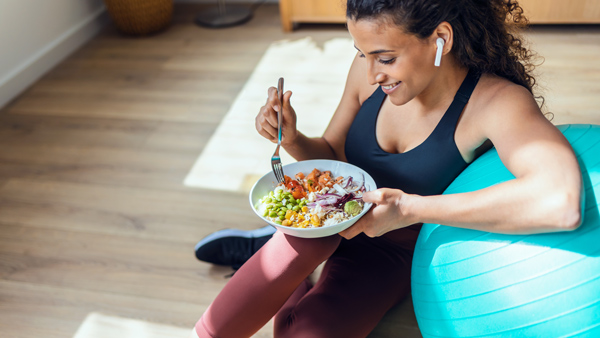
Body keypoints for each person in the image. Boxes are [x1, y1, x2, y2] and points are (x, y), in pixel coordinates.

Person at [191, 0, 583, 337]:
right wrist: (292, 138)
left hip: (395, 251)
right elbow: (333, 157)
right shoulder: (369, 76)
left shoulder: (496, 103)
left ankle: (268, 251)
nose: (371, 75)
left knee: (301, 330)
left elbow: (560, 203)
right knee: (311, 240)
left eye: (385, 58)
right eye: (362, 53)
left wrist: (408, 210)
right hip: (329, 221)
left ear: (440, 39)